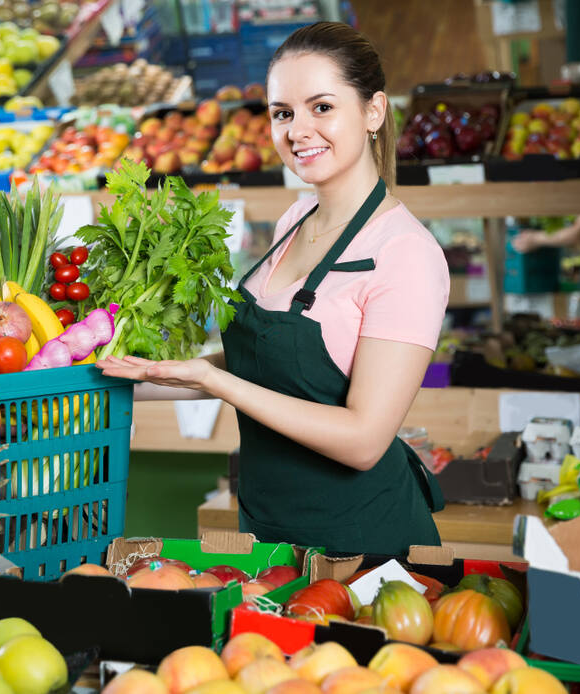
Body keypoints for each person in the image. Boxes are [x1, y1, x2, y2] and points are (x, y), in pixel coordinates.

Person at [97, 22, 448, 555]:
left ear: (373, 111)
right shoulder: (296, 217)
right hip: (269, 538)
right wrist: (154, 376)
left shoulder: (407, 255)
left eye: (322, 107)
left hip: (362, 550)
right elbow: (264, 361)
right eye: (283, 113)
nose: (298, 130)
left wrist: (214, 383)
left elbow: (363, 441)